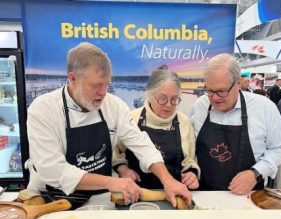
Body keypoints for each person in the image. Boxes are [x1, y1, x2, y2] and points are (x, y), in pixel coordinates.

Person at [26, 42, 192, 209]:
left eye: (107, 84)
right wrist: (111, 182)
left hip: (100, 198)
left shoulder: (114, 105)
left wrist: (167, 180)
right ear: (72, 78)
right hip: (50, 199)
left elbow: (142, 144)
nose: (103, 92)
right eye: (96, 85)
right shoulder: (43, 109)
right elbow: (52, 170)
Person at [191, 53, 281, 195]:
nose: (215, 98)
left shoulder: (264, 107)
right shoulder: (201, 105)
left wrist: (255, 173)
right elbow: (190, 146)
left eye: (221, 91)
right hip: (205, 194)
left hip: (249, 196)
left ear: (237, 83)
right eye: (210, 90)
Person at [113, 65, 200, 190]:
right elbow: (116, 155)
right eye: (163, 99)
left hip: (175, 192)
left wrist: (192, 174)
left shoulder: (184, 123)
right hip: (136, 192)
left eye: (174, 99)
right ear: (150, 94)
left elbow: (189, 161)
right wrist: (123, 170)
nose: (169, 105)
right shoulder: (132, 119)